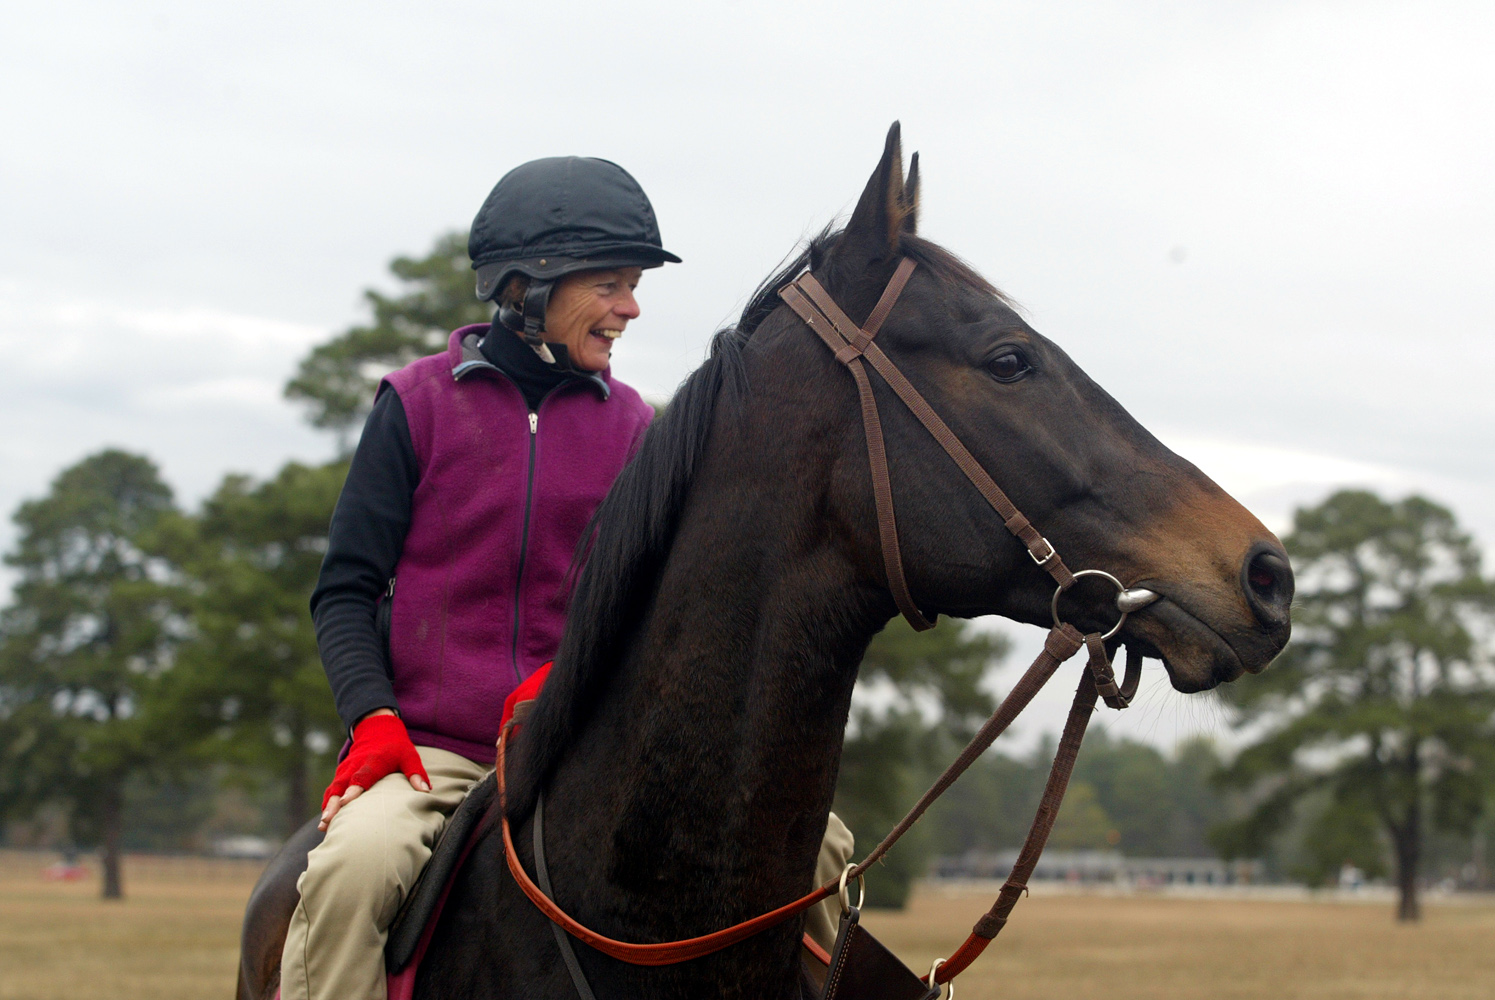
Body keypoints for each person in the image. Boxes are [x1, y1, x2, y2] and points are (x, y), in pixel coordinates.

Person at [280, 157, 852, 1000]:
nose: (630, 307)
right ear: (526, 287)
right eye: (611, 285)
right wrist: (372, 719)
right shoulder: (414, 405)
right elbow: (344, 591)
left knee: (824, 849)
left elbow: (654, 614)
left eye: (633, 286)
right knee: (353, 873)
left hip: (577, 749)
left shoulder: (637, 432)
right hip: (428, 753)